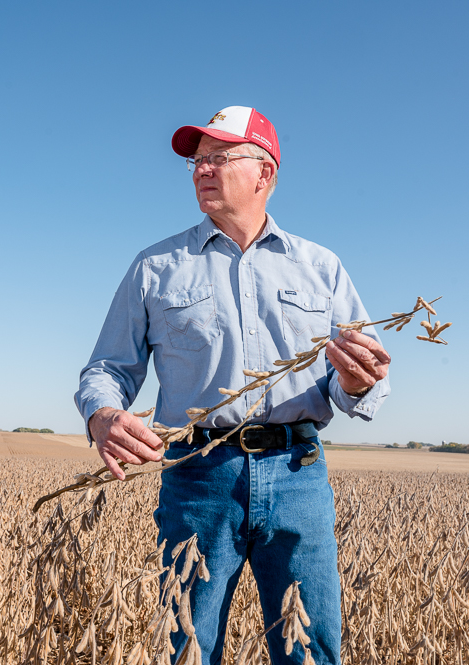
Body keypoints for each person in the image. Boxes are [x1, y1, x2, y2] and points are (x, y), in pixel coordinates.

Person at [74, 106, 391, 665]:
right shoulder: (155, 266)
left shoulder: (322, 267)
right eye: (198, 161)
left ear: (264, 174)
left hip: (299, 475)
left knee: (309, 650)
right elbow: (107, 368)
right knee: (186, 649)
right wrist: (104, 416)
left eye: (219, 158)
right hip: (198, 477)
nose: (202, 169)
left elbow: (354, 388)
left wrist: (360, 381)